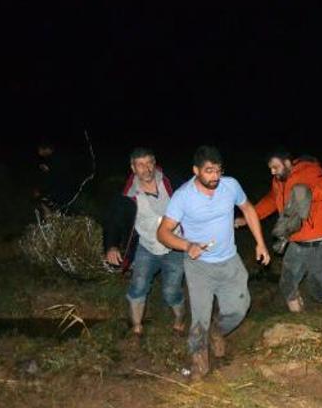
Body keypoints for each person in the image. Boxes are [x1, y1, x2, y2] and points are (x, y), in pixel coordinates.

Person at [158, 145, 270, 379]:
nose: (215, 177)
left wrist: (260, 242)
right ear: (196, 170)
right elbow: (163, 232)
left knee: (239, 307)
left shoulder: (230, 186)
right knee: (199, 319)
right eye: (209, 171)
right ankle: (199, 364)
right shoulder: (183, 196)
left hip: (230, 261)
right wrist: (188, 246)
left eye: (218, 171)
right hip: (200, 267)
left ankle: (217, 331)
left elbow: (248, 209)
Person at [103, 147, 185, 338]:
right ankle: (136, 329)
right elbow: (113, 220)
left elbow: (197, 197)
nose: (146, 169)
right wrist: (111, 245)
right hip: (146, 247)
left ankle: (180, 321)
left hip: (176, 246)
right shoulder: (127, 194)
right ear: (133, 168)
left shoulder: (172, 181)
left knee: (171, 292)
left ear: (154, 162)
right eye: (140, 165)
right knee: (138, 286)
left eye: (149, 163)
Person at [246, 149, 322, 312]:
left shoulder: (309, 170)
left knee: (317, 290)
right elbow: (271, 200)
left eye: (275, 167)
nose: (272, 171)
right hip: (296, 241)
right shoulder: (278, 181)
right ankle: (298, 319)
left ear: (287, 163)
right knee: (287, 283)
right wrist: (250, 216)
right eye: (270, 168)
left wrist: (309, 194)